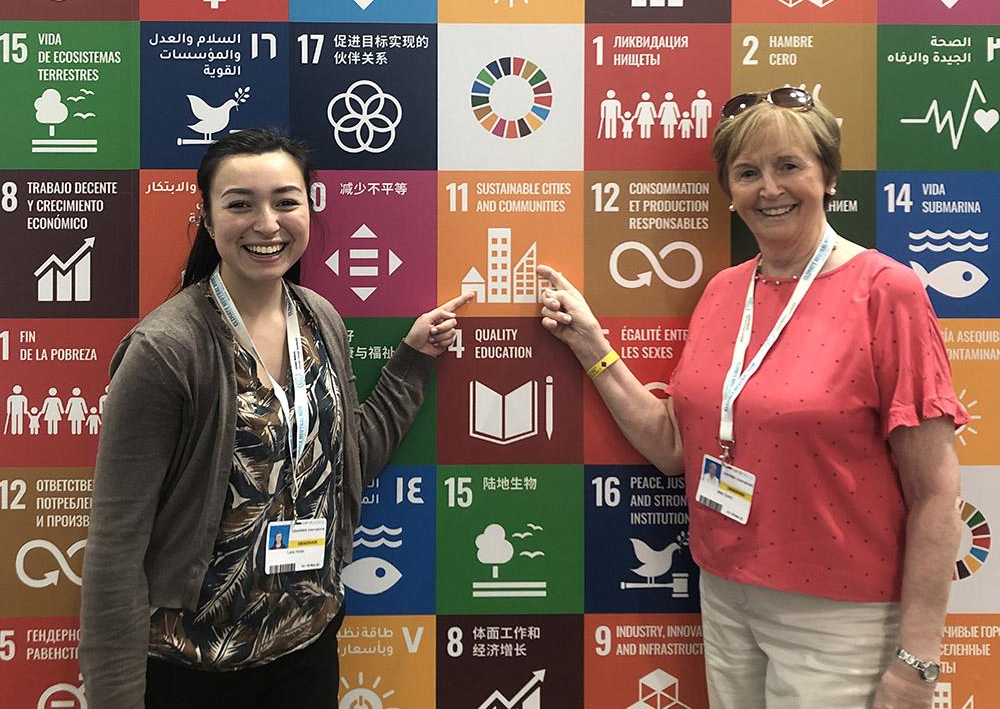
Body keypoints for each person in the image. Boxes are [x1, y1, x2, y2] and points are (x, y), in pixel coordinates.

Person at [537, 88, 967, 708]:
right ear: (730, 193)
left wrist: (916, 664)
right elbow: (672, 446)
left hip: (838, 616)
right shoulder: (723, 292)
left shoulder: (886, 291)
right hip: (725, 592)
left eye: (788, 166)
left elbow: (935, 494)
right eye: (747, 173)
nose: (769, 188)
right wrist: (590, 345)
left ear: (829, 176)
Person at [79, 128, 473, 709]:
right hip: (194, 667)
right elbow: (115, 546)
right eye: (240, 204)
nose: (267, 223)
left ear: (309, 209)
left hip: (305, 647)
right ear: (208, 221)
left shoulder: (320, 319)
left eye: (285, 201)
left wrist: (413, 360)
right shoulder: (167, 350)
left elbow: (346, 461)